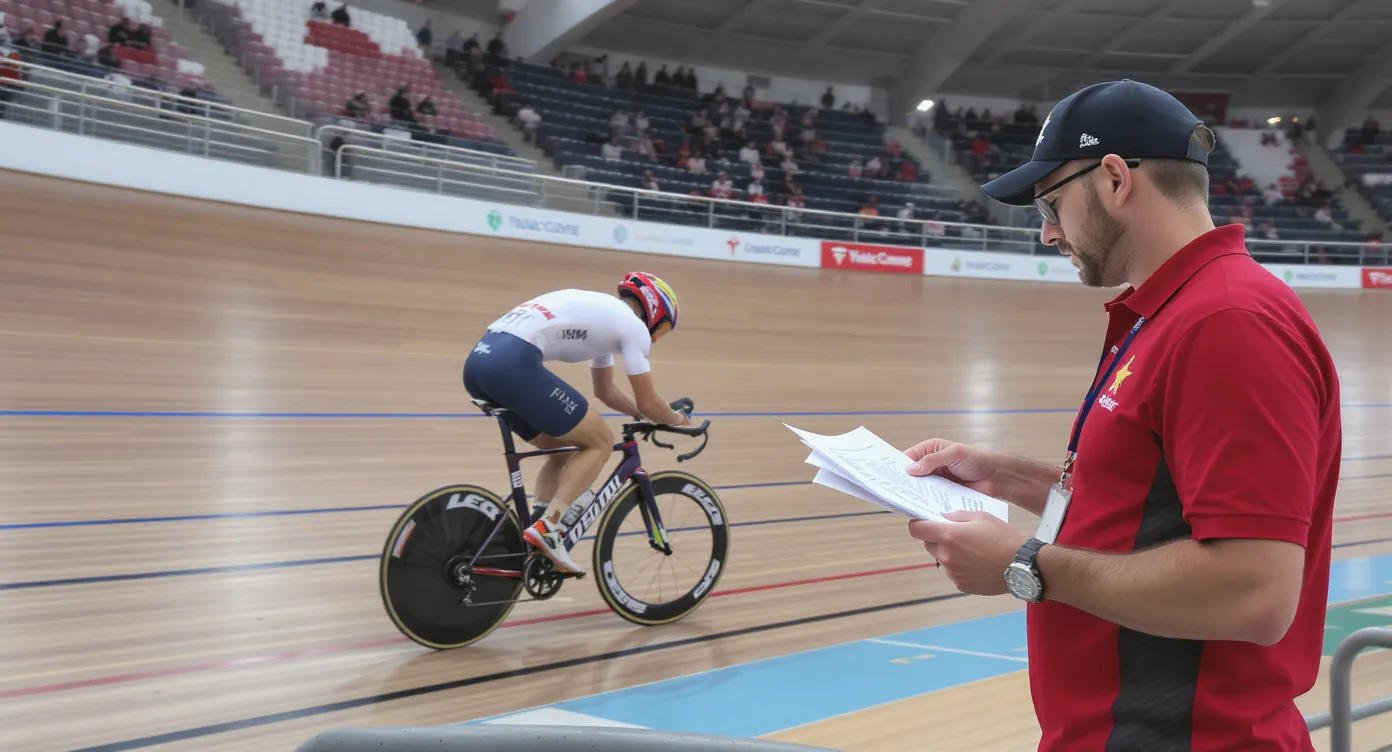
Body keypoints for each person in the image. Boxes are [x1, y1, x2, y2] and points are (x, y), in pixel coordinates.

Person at [903, 79, 1340, 751]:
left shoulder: (1228, 322)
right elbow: (1155, 505)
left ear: (1113, 179)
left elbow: (1254, 591)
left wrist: (1025, 563)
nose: (1047, 232)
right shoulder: (1180, 310)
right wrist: (1006, 477)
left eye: (1051, 203)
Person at [463, 272, 692, 575]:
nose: (657, 337)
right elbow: (650, 402)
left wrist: (639, 415)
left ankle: (536, 533)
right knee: (600, 442)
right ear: (653, 310)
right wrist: (675, 418)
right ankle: (550, 527)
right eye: (662, 327)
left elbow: (605, 391)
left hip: (479, 364)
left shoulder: (606, 317)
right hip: (512, 365)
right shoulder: (633, 327)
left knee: (565, 449)